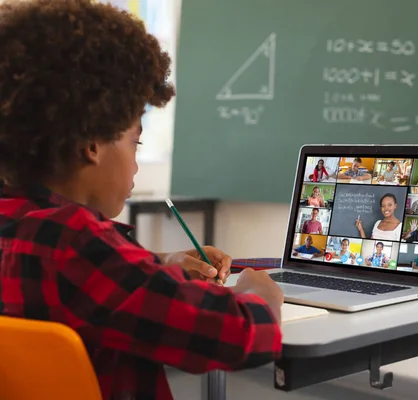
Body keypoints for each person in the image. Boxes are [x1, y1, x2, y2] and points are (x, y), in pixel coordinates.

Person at [0, 2, 283, 399]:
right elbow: (237, 336)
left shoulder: (22, 225)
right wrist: (260, 295)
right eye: (136, 140)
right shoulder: (77, 244)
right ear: (91, 144)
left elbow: (97, 281)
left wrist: (160, 263)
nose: (136, 161)